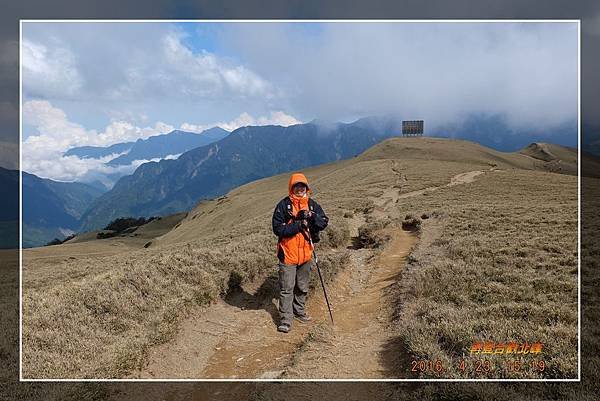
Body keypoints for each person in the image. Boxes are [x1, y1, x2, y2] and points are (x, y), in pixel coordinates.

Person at [271, 172, 329, 333]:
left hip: (306, 254)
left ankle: (299, 311)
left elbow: (324, 222)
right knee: (286, 288)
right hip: (288, 253)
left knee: (302, 286)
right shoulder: (283, 206)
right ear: (291, 188)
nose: (299, 189)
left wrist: (312, 216)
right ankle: (286, 320)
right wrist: (298, 225)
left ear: (307, 188)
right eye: (296, 186)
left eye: (302, 186)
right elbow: (278, 229)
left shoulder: (312, 205)